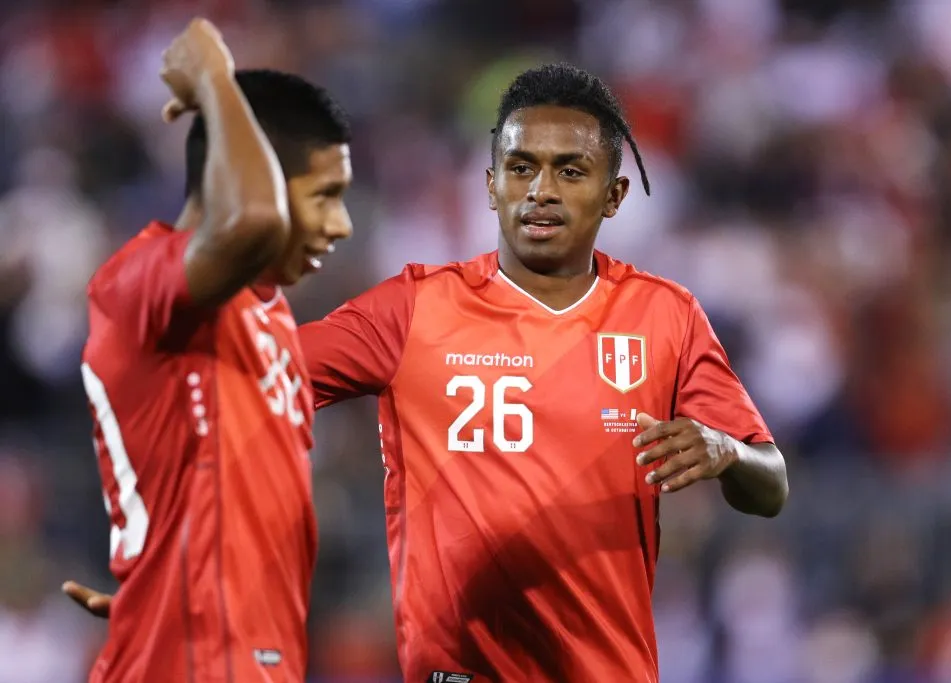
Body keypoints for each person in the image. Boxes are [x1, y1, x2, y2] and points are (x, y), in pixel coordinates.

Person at [67, 63, 787, 682]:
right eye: (520, 167)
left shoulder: (665, 316)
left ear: (613, 195)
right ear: (489, 184)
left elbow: (771, 483)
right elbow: (246, 380)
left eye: (570, 170)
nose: (540, 189)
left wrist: (727, 453)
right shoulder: (414, 308)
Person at [68, 18, 353, 683]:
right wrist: (215, 79)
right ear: (256, 182)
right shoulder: (138, 281)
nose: (341, 223)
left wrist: (154, 596)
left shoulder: (274, 320)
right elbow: (251, 221)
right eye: (324, 197)